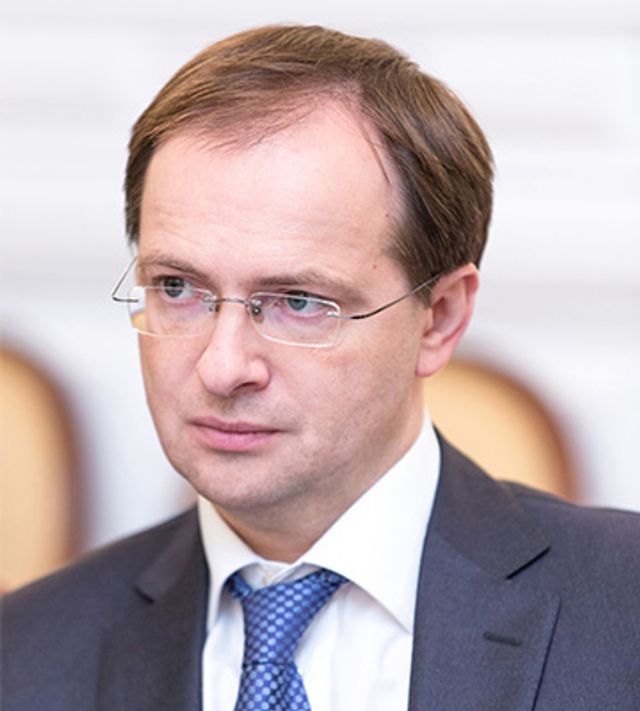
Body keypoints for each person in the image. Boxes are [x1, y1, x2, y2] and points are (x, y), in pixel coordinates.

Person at [2, 24, 639, 711]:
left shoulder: (621, 611)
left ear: (440, 317)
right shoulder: (26, 654)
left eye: (299, 302)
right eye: (179, 288)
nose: (222, 367)